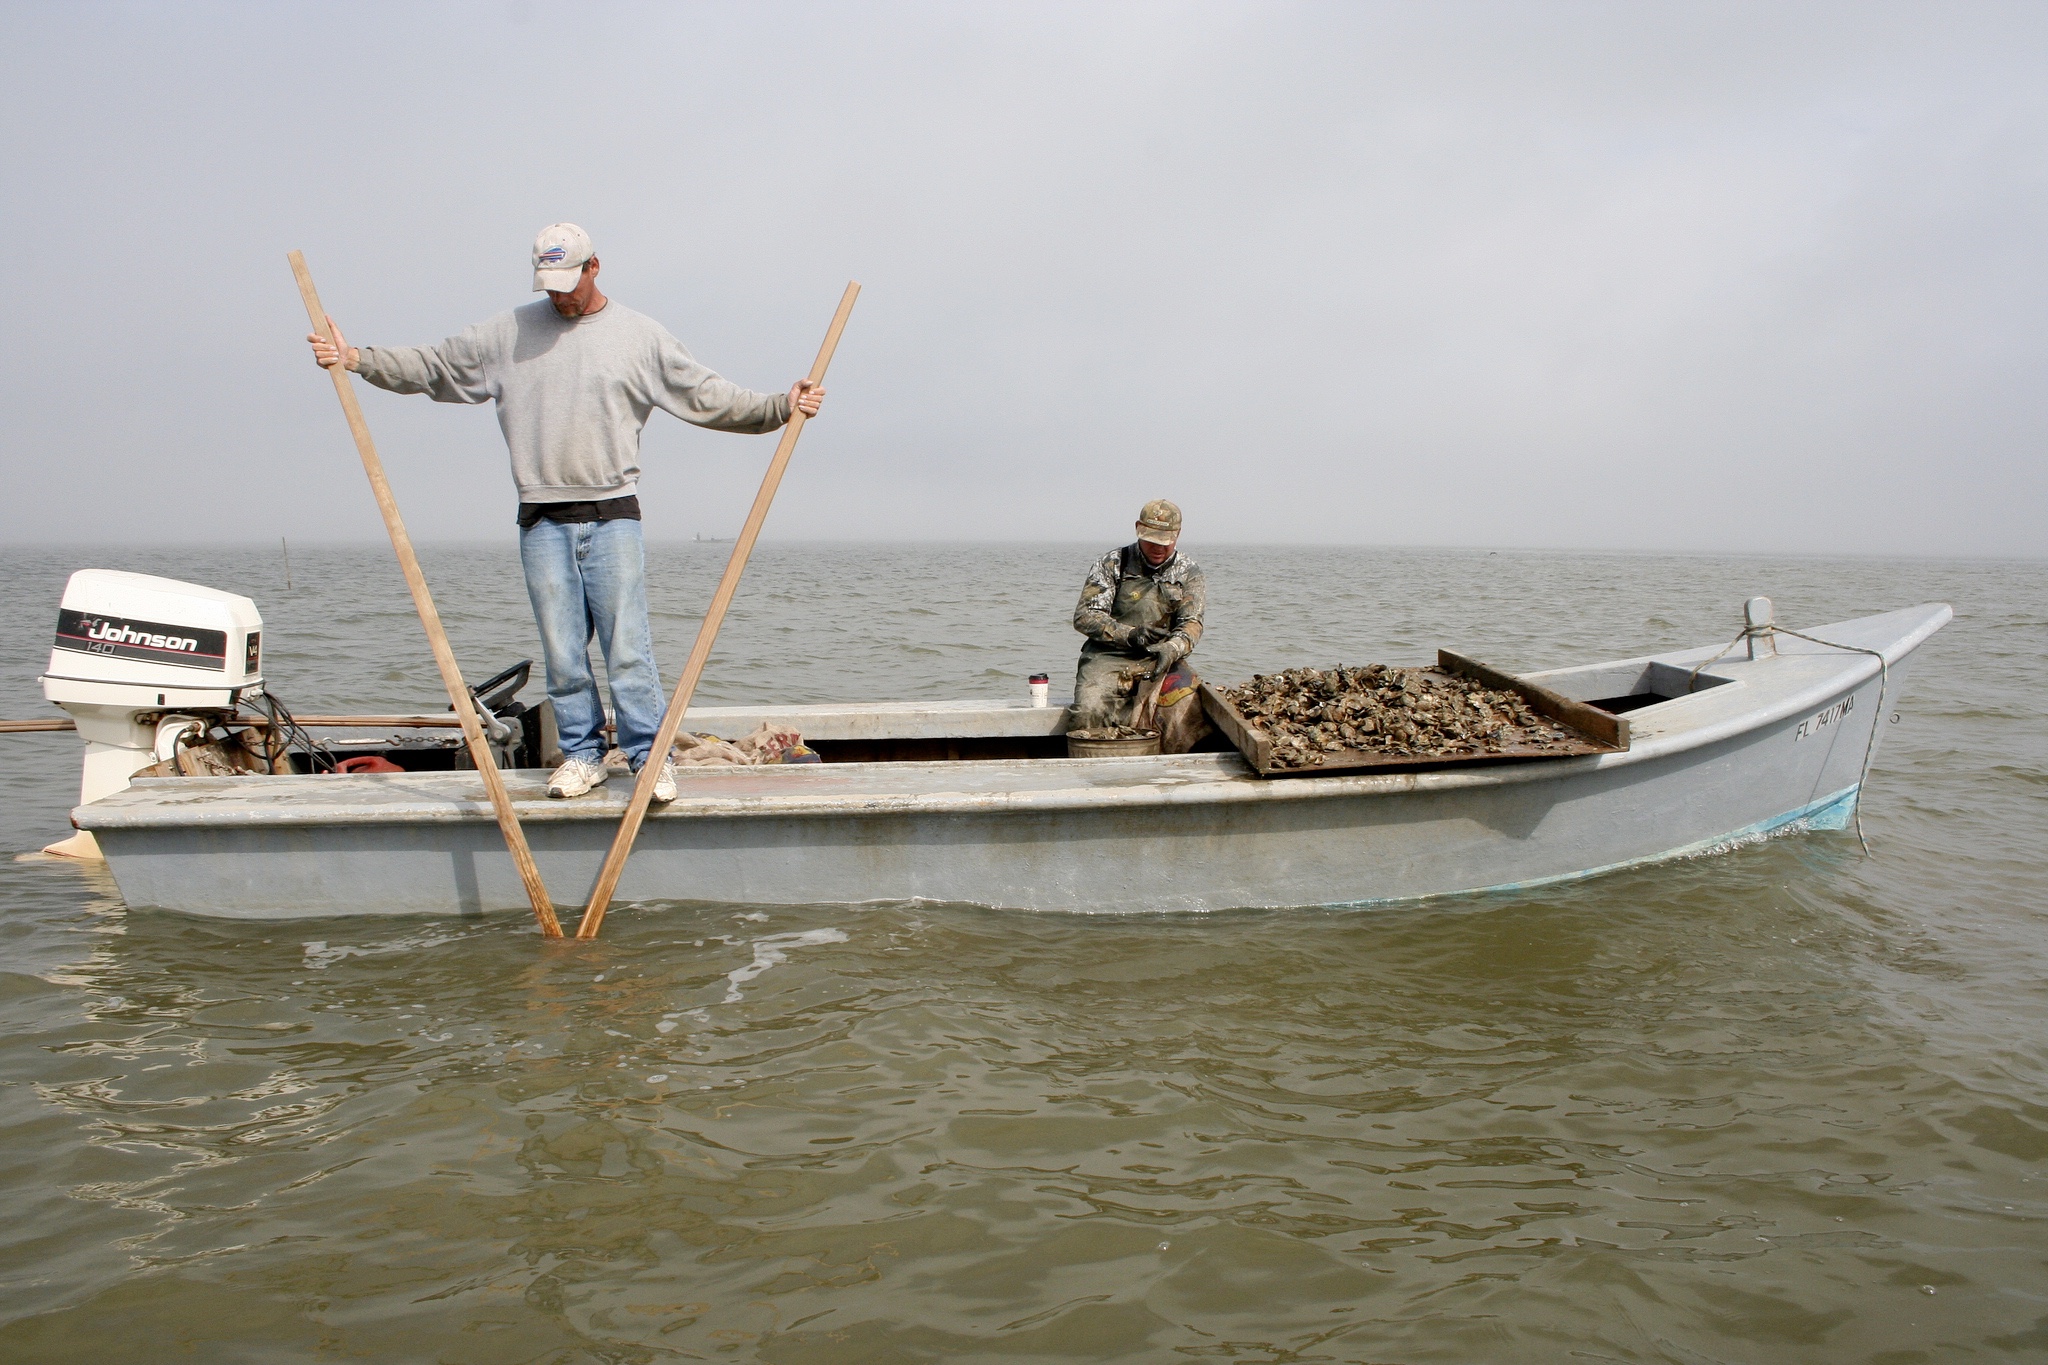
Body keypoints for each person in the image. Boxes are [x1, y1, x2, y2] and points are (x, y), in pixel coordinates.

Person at [307, 223, 823, 802]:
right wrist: (355, 359)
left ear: (594, 266)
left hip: (614, 515)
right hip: (542, 519)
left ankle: (648, 759)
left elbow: (706, 394)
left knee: (628, 648)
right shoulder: (507, 334)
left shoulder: (639, 336)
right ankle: (581, 754)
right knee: (562, 650)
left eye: (568, 282)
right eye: (548, 285)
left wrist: (781, 406)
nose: (559, 296)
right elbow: (433, 366)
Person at [1070, 499, 1213, 753]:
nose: (1158, 547)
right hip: (1109, 655)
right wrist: (1131, 635)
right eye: (1151, 539)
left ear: (1177, 535)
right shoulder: (1112, 564)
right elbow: (1085, 616)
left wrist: (1171, 648)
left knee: (1191, 712)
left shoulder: (1189, 572)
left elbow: (1191, 624)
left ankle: (1170, 781)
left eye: (1165, 541)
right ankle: (1091, 775)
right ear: (1138, 529)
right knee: (1089, 708)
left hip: (1161, 659)